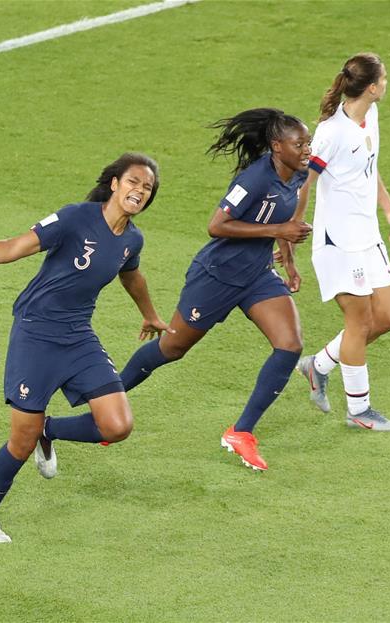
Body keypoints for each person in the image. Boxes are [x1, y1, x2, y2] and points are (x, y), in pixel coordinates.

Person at [0, 153, 171, 543]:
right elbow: (14, 247)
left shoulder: (133, 239)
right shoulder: (75, 217)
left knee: (117, 426)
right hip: (36, 334)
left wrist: (149, 314)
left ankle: (51, 430)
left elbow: (132, 276)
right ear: (114, 183)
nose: (139, 191)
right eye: (133, 182)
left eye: (147, 188)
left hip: (78, 335)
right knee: (21, 441)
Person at [118, 108, 313, 471]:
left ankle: (242, 432)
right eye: (299, 143)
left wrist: (288, 261)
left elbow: (283, 222)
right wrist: (277, 233)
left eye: (308, 142)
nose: (306, 149)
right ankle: (107, 393)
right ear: (276, 147)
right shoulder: (254, 178)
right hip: (217, 276)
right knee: (171, 348)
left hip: (256, 275)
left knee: (290, 344)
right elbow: (217, 225)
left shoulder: (297, 175)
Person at [292, 52, 390, 431]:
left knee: (388, 317)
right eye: (385, 78)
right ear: (371, 87)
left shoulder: (369, 116)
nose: (387, 83)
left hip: (367, 235)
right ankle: (360, 411)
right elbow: (303, 184)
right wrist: (292, 229)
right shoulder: (330, 133)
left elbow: (369, 171)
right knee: (359, 322)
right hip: (338, 242)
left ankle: (318, 365)